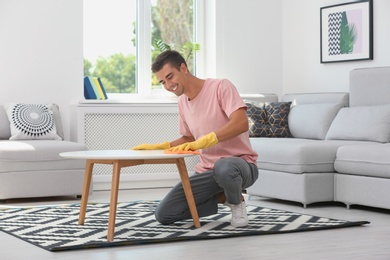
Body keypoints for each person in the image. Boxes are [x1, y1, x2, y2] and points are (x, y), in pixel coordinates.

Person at [132, 50, 258, 227]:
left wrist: (208, 140)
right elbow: (189, 138)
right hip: (207, 171)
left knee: (224, 167)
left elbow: (241, 123)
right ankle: (223, 196)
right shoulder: (183, 102)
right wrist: (161, 146)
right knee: (164, 214)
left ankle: (237, 203)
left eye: (170, 77)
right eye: (163, 82)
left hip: (240, 165)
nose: (168, 85)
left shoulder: (220, 87)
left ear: (183, 68)